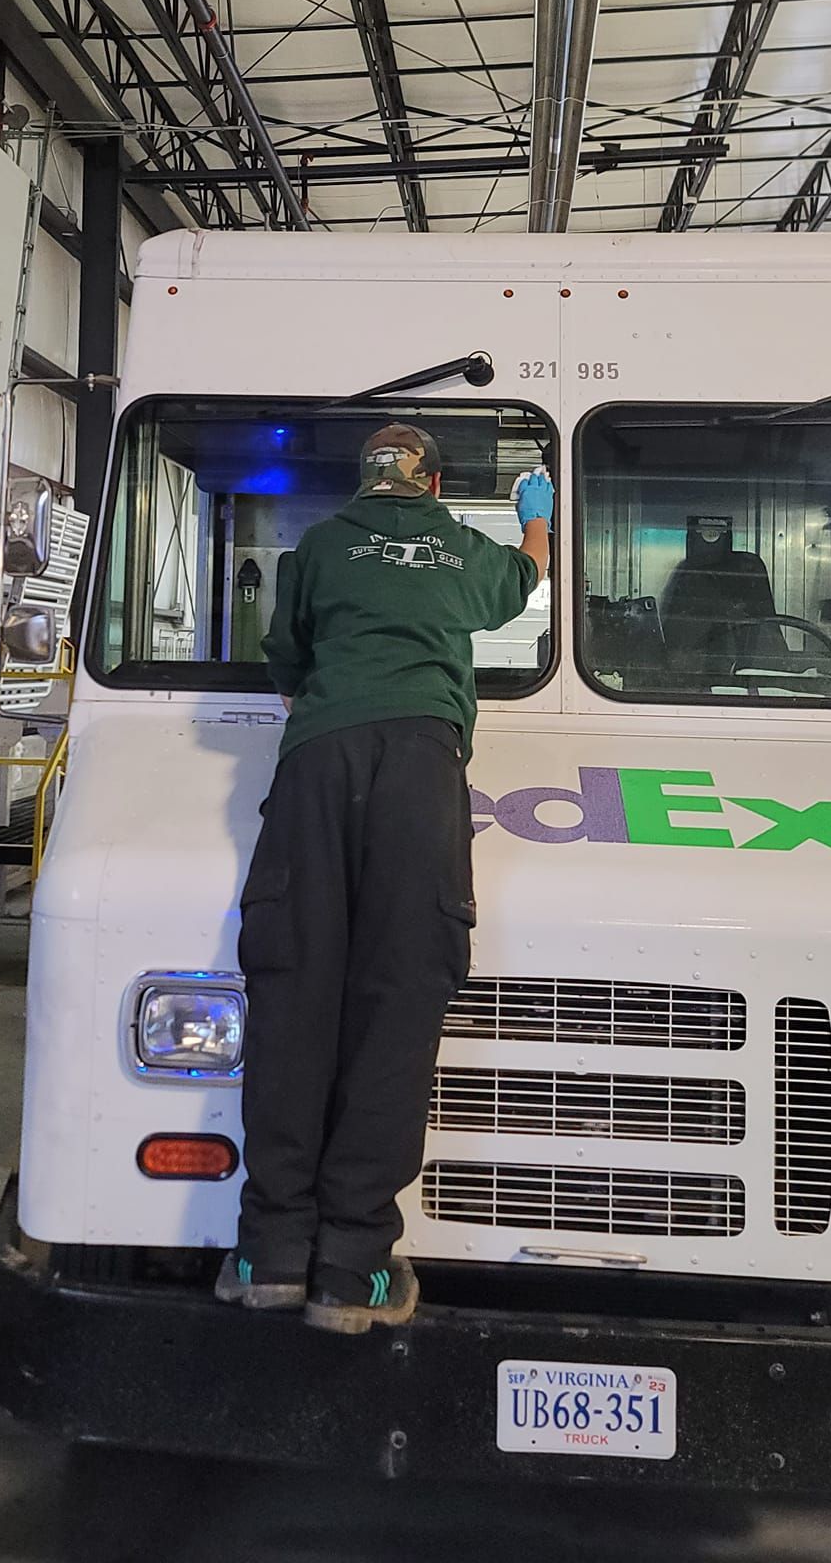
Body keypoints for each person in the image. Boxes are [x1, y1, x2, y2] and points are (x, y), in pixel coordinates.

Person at [216, 421, 553, 1335]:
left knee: (295, 992)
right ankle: (352, 1268)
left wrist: (325, 699)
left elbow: (283, 652)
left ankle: (269, 1253)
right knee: (397, 1001)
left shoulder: (320, 546)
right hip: (421, 765)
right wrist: (537, 525)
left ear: (363, 483)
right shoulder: (454, 545)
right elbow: (522, 590)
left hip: (317, 762)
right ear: (434, 483)